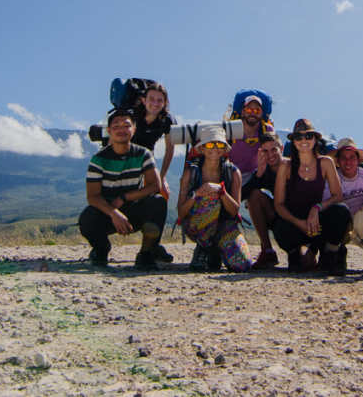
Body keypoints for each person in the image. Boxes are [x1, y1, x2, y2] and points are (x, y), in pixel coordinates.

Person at [77, 109, 167, 271]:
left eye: (127, 125)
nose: (121, 129)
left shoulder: (143, 154)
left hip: (133, 209)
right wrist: (113, 213)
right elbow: (93, 196)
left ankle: (145, 253)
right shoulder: (99, 159)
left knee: (158, 202)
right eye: (116, 126)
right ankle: (101, 247)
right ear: (109, 131)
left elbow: (155, 186)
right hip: (107, 212)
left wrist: (124, 197)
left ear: (133, 130)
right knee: (87, 217)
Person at [272, 119, 352, 275]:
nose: (304, 140)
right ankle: (294, 255)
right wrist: (298, 222)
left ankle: (329, 256)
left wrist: (317, 208)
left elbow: (337, 196)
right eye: (299, 136)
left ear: (316, 140)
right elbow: (279, 204)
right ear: (293, 142)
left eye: (308, 136)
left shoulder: (326, 163)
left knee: (341, 211)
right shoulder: (285, 166)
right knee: (282, 229)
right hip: (294, 223)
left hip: (317, 222)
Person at [176, 126, 252, 272]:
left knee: (242, 264)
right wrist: (196, 194)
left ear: (224, 149)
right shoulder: (190, 172)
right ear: (202, 148)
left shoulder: (233, 173)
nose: (215, 148)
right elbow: (181, 212)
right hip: (196, 227)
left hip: (224, 227)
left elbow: (234, 210)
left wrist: (222, 191)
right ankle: (203, 248)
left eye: (220, 144)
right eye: (210, 144)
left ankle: (214, 251)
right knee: (210, 198)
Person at [129, 82, 177, 264]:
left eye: (160, 100)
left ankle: (152, 245)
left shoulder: (167, 120)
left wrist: (162, 177)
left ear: (165, 103)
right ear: (143, 100)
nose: (155, 104)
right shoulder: (132, 117)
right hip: (128, 158)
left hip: (148, 159)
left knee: (161, 194)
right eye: (151, 99)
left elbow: (170, 149)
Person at [244, 131, 285, 269]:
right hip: (278, 216)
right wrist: (258, 176)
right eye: (266, 151)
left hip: (295, 218)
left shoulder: (292, 166)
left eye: (274, 150)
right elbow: (241, 196)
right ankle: (267, 251)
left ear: (282, 149)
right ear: (261, 152)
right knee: (254, 195)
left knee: (304, 263)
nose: (271, 155)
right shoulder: (264, 170)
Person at [227, 94, 275, 186]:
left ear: (261, 113)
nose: (253, 113)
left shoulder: (267, 130)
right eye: (249, 110)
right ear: (243, 112)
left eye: (257, 111)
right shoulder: (231, 128)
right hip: (231, 174)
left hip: (254, 174)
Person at [323, 137, 363, 216]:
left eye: (352, 157)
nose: (348, 162)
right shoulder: (330, 183)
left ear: (358, 160)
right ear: (337, 161)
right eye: (343, 158)